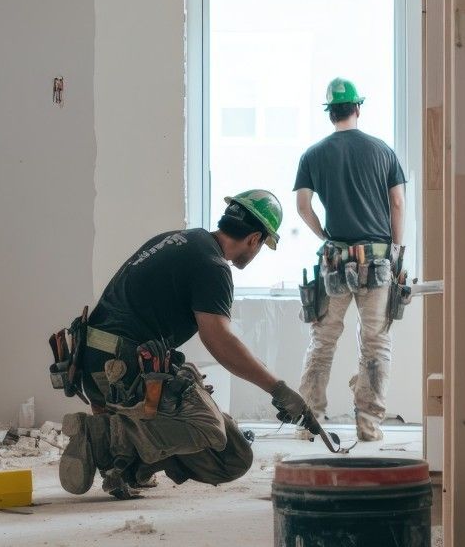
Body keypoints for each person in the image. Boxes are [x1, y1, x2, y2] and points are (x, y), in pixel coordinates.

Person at [58, 190, 313, 499]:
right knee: (210, 429)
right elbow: (219, 340)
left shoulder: (181, 240)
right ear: (255, 238)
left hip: (96, 370)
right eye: (262, 246)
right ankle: (105, 438)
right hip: (121, 371)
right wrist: (278, 389)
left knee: (232, 456)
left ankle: (127, 462)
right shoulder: (212, 265)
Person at [293, 78, 407, 442]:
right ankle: (369, 426)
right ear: (358, 107)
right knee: (375, 344)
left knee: (323, 341)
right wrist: (396, 250)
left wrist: (324, 235)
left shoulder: (313, 154)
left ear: (330, 113)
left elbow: (302, 206)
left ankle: (309, 421)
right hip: (377, 262)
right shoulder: (383, 151)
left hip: (335, 262)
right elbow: (398, 204)